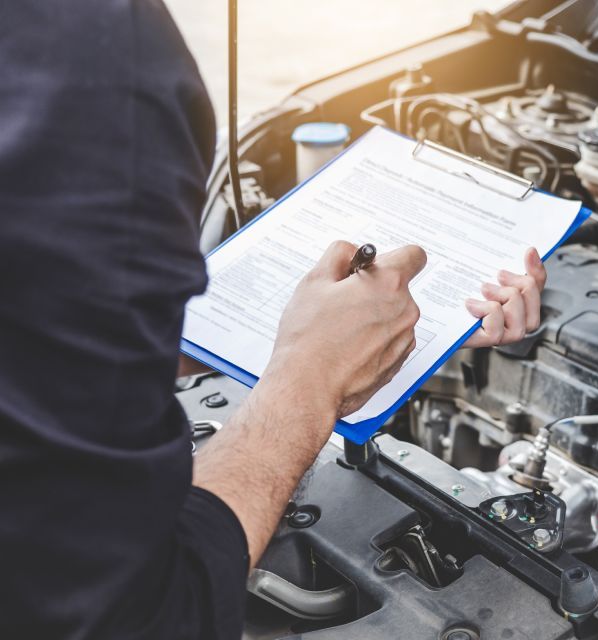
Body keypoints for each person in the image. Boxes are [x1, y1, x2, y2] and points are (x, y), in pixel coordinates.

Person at [0, 1, 547, 638]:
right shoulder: (85, 58)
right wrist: (311, 374)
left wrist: (375, 333)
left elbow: (42, 345)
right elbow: (127, 615)